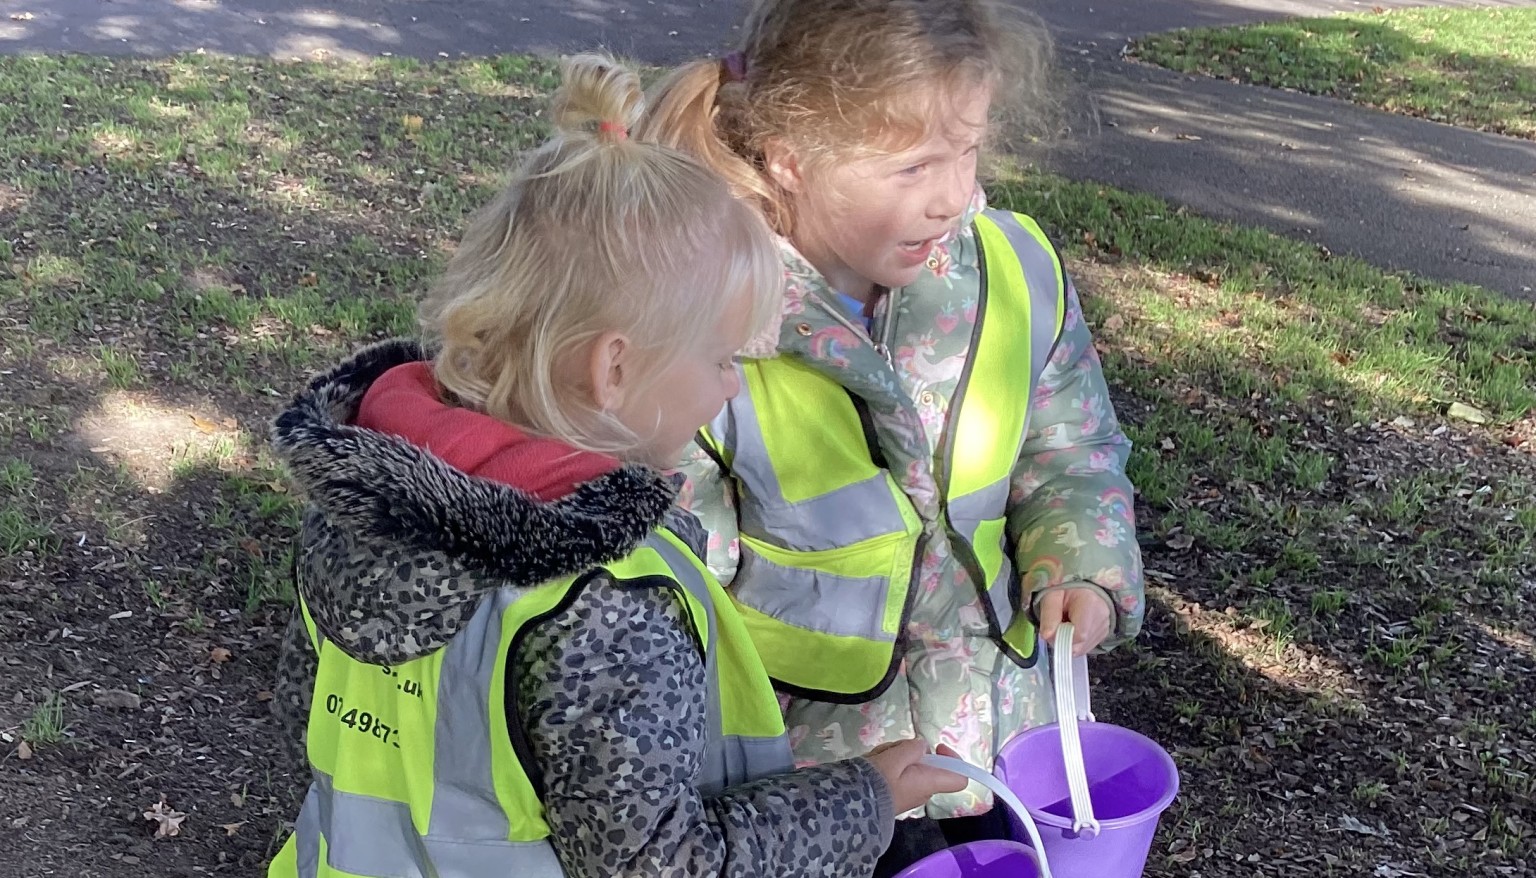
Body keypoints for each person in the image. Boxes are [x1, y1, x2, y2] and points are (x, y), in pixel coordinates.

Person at [264, 54, 964, 878]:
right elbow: (657, 864)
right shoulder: (604, 599)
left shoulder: (363, 498)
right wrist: (865, 801)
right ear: (615, 370)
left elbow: (303, 716)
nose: (733, 384)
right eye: (721, 358)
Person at [638, 1, 1147, 872]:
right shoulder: (708, 319)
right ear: (791, 160)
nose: (953, 195)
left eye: (969, 149)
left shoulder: (1012, 272)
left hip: (997, 753)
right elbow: (674, 597)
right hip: (809, 789)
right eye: (913, 165)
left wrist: (1085, 568)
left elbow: (1071, 455)